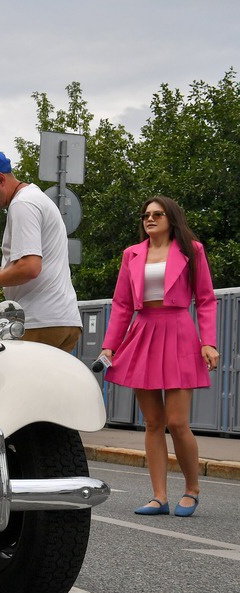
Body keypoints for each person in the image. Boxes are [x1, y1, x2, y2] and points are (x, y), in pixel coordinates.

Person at [99, 196, 218, 518]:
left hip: (180, 333)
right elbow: (122, 304)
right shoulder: (132, 255)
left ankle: (192, 489)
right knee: (153, 423)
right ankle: (159, 496)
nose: (149, 219)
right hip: (143, 333)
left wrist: (208, 342)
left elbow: (205, 300)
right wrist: (110, 346)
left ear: (170, 218)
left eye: (157, 214)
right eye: (145, 215)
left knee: (178, 422)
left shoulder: (192, 251)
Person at [0, 149, 82, 353]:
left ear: (0, 179)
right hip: (62, 320)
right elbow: (40, 259)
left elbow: (30, 267)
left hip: (38, 321)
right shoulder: (36, 197)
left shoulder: (22, 204)